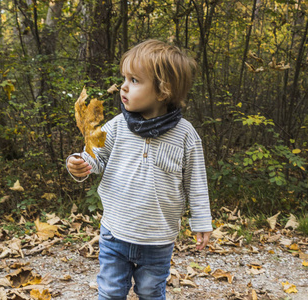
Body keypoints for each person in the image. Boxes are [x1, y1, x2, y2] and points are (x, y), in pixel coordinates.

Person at [66, 39, 213, 300]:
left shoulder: (185, 135)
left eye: (134, 80)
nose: (123, 86)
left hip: (158, 238)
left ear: (162, 91)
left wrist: (201, 221)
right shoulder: (118, 126)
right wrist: (82, 162)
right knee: (110, 292)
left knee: (150, 291)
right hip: (115, 232)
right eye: (124, 77)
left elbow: (196, 182)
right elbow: (96, 157)